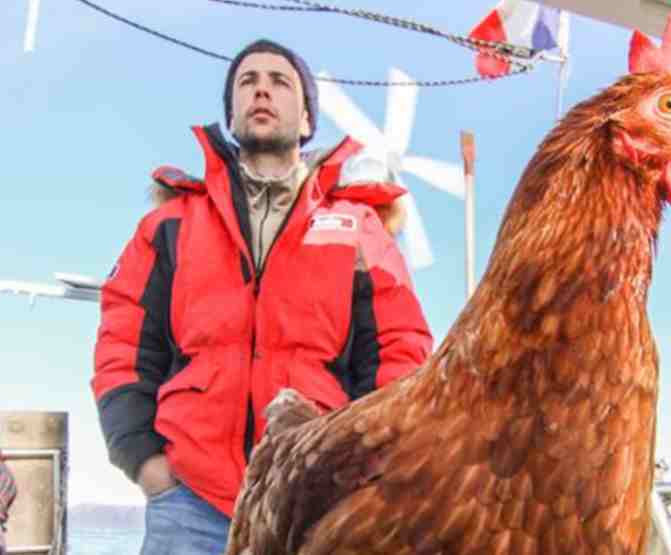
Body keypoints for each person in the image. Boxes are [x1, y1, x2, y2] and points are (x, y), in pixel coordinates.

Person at [91, 39, 433, 554]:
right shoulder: (170, 225)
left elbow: (398, 352)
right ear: (232, 112)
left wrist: (369, 469)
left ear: (306, 119)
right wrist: (145, 463)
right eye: (247, 82)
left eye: (280, 81)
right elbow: (122, 347)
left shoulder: (359, 228)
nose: (262, 91)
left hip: (317, 503)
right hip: (189, 504)